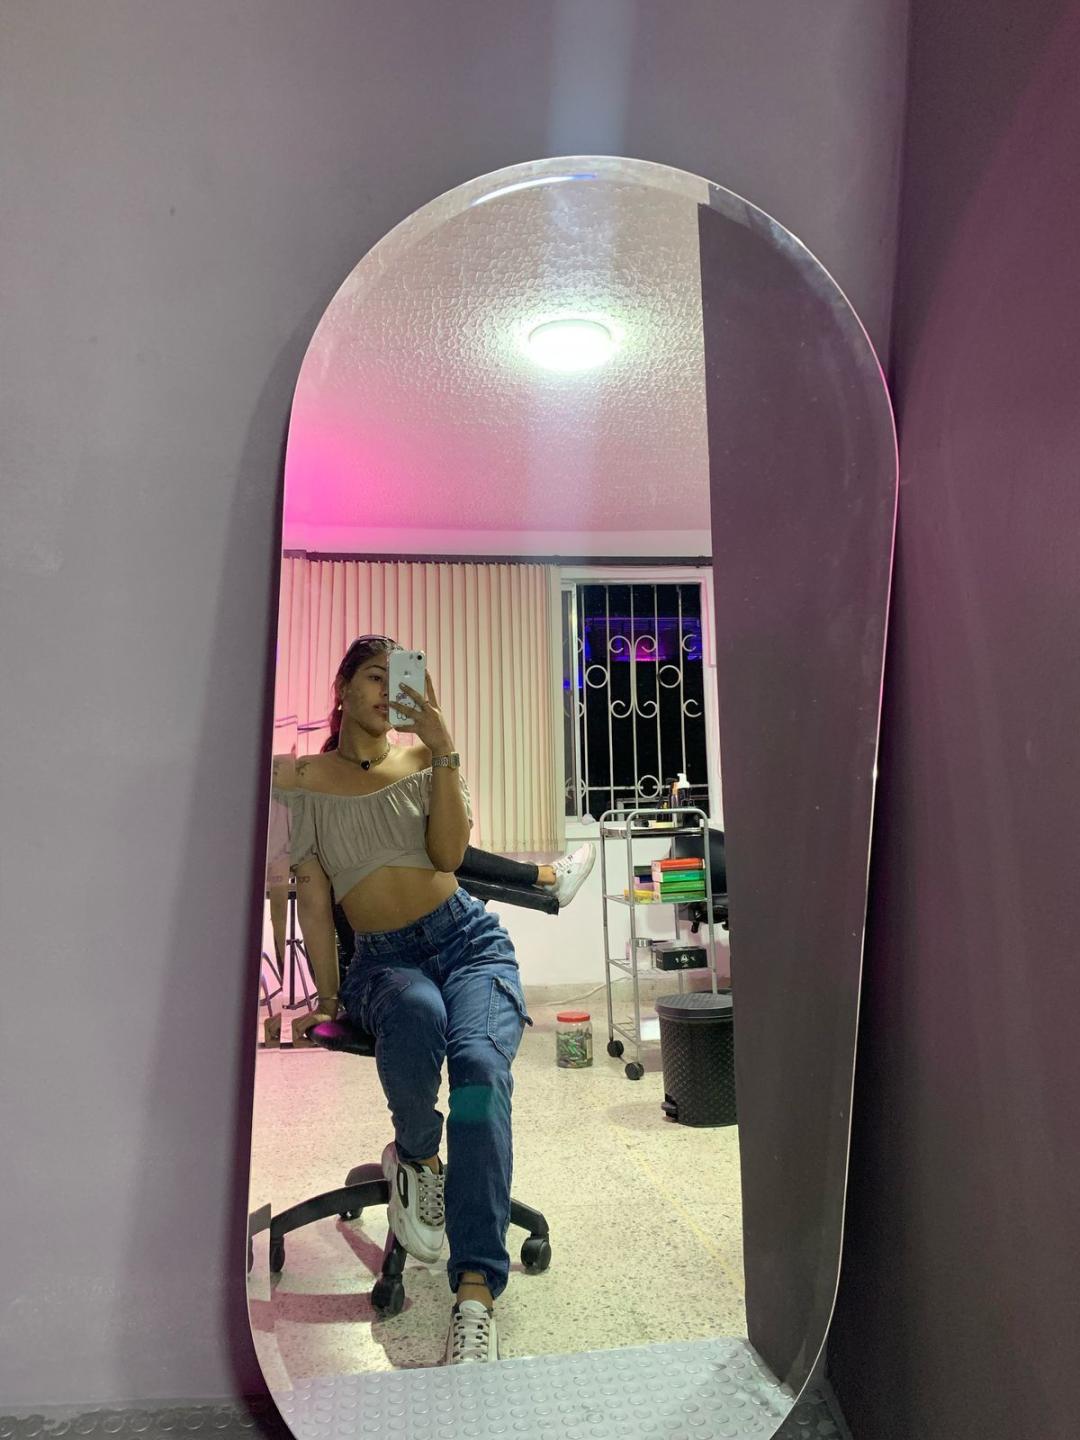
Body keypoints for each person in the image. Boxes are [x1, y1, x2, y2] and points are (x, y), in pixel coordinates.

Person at [271, 635, 536, 1365]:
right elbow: (314, 898)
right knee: (418, 1013)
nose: (389, 690)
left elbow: (448, 857)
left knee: (480, 1072)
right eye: (374, 676)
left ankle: (475, 1291)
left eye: (401, 678)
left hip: (468, 944)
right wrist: (327, 995)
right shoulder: (305, 782)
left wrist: (444, 749)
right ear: (342, 689)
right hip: (384, 964)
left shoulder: (424, 761)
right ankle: (417, 1155)